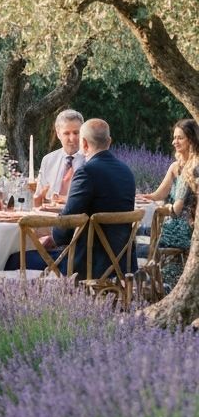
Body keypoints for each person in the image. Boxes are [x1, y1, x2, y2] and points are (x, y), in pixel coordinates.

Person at [52, 118, 136, 279]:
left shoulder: (86, 172)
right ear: (109, 141)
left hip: (88, 263)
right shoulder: (126, 171)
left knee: (15, 260)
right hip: (122, 261)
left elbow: (67, 223)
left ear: (83, 144)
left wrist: (53, 236)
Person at [140, 119, 199, 292]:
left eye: (179, 138)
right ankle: (156, 283)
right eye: (174, 137)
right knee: (137, 232)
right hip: (172, 225)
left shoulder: (194, 168)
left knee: (134, 240)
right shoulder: (176, 166)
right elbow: (158, 194)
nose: (174, 142)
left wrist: (158, 208)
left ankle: (149, 284)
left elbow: (176, 210)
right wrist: (140, 197)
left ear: (191, 140)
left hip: (184, 228)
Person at [34, 109, 85, 205]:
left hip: (80, 216)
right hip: (49, 216)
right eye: (66, 133)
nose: (72, 138)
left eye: (76, 133)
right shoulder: (48, 160)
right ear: (58, 134)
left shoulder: (90, 160)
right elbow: (38, 197)